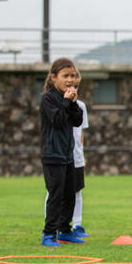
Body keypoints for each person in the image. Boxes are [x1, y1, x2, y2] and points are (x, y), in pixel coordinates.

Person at [40, 57, 85, 247]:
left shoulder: (68, 97)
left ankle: (65, 231)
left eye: (73, 76)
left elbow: (77, 121)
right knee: (56, 194)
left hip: (67, 155)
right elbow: (57, 120)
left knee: (69, 194)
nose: (70, 80)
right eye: (65, 76)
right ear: (53, 78)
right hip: (52, 154)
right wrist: (66, 102)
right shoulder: (48, 98)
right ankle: (49, 233)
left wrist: (73, 103)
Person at [70, 72, 90, 237]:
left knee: (77, 190)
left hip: (76, 157)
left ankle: (77, 224)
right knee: (56, 191)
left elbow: (80, 132)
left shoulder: (81, 106)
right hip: (61, 156)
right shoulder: (58, 104)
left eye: (76, 87)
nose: (73, 89)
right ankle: (52, 224)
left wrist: (81, 153)